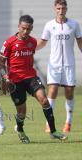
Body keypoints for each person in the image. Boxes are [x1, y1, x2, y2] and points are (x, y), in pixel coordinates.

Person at [0, 15, 67, 143]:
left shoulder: (32, 42)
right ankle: (20, 130)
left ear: (31, 28)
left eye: (29, 29)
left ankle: (53, 132)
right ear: (19, 26)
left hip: (31, 77)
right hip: (15, 80)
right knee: (22, 112)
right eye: (24, 28)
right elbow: (1, 62)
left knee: (45, 101)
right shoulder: (9, 42)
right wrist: (5, 77)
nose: (26, 32)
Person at [37, 0, 82, 133]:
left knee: (69, 92)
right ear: (55, 9)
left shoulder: (74, 24)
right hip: (54, 64)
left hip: (69, 64)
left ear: (66, 9)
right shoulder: (49, 25)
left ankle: (68, 122)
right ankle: (48, 123)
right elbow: (42, 42)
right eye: (58, 8)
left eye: (63, 8)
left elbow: (80, 42)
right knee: (52, 90)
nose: (61, 11)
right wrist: (30, 48)